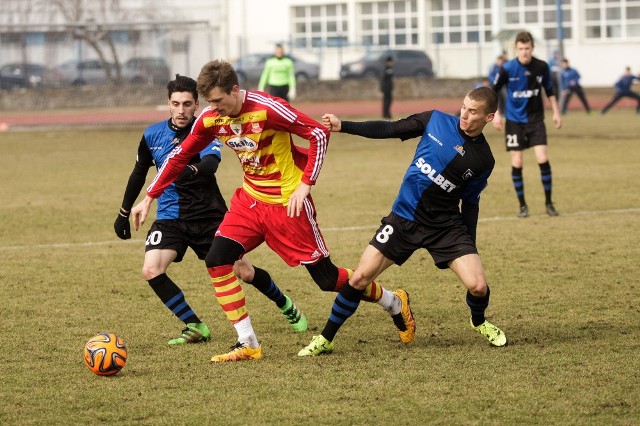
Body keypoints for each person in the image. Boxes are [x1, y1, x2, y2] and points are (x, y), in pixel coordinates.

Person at [131, 60, 415, 362]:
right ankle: (248, 342)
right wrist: (149, 197)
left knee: (327, 280)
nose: (213, 108)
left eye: (217, 100)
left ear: (235, 90)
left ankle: (392, 301)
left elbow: (317, 134)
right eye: (209, 102)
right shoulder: (211, 118)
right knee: (216, 259)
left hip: (287, 204)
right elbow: (178, 157)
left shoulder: (267, 108)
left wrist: (306, 184)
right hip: (250, 203)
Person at [298, 87, 507, 356]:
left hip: (444, 227)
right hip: (404, 219)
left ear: (488, 118)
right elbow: (390, 129)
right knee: (360, 277)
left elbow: (471, 202)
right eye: (464, 107)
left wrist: (470, 244)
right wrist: (343, 126)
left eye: (473, 111)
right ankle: (326, 339)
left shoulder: (484, 160)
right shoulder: (435, 120)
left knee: (478, 286)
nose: (464, 115)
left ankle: (479, 321)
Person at [114, 74, 307, 346]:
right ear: (168, 104)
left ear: (196, 105)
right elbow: (138, 173)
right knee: (151, 269)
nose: (181, 110)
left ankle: (285, 304)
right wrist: (123, 212)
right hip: (170, 217)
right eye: (176, 104)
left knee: (244, 271)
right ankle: (194, 325)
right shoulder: (152, 135)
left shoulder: (208, 128)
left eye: (187, 104)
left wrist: (186, 170)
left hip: (209, 215)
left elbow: (210, 163)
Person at [491, 31, 562, 218]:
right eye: (521, 49)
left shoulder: (541, 66)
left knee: (542, 159)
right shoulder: (507, 68)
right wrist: (496, 114)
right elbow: (493, 92)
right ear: (516, 48)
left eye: (527, 48)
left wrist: (555, 112)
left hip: (536, 120)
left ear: (532, 48)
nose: (524, 52)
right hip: (514, 122)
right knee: (517, 161)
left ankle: (549, 203)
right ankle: (522, 206)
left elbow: (549, 90)